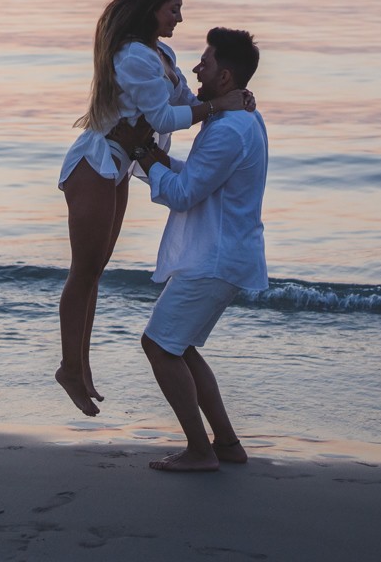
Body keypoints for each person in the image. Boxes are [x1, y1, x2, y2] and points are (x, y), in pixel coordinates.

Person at [56, 0, 253, 417]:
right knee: (83, 272)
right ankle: (71, 368)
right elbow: (165, 117)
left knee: (96, 273)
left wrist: (231, 97)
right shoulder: (131, 58)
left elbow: (189, 99)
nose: (180, 17)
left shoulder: (161, 55)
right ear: (151, 10)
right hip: (94, 164)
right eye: (173, 9)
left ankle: (80, 367)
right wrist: (219, 106)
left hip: (119, 167)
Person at [107, 27, 267, 471]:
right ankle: (228, 445)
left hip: (214, 259)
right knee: (180, 347)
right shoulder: (238, 120)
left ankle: (200, 451)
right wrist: (146, 153)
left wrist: (141, 153)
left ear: (226, 78)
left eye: (207, 62)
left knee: (158, 346)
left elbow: (182, 194)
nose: (197, 67)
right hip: (223, 254)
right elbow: (195, 177)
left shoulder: (229, 130)